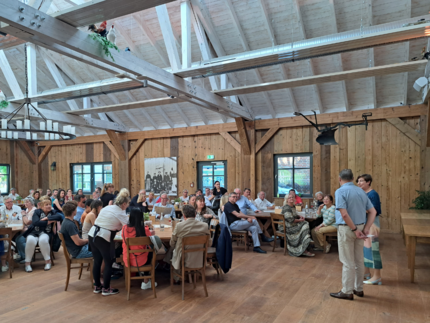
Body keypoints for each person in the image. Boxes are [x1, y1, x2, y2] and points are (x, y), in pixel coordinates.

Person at [330, 169, 377, 301]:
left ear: (340, 179)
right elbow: (373, 211)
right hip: (361, 227)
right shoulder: (361, 191)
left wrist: (354, 229)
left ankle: (347, 291)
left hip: (348, 229)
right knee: (358, 260)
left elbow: (344, 214)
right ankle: (359, 289)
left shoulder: (340, 191)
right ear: (352, 178)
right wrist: (366, 228)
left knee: (347, 262)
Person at [88, 188, 130, 296]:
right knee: (108, 262)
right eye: (127, 204)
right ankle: (106, 288)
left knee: (97, 261)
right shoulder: (120, 213)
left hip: (92, 234)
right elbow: (129, 226)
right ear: (124, 204)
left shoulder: (108, 207)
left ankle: (97, 286)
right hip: (103, 236)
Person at [167, 205, 209, 280]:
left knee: (171, 250)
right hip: (199, 259)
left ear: (184, 215)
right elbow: (209, 243)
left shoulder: (179, 225)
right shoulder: (205, 226)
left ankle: (175, 277)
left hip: (182, 260)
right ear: (195, 215)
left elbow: (172, 243)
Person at [357, 174, 383, 285]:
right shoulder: (362, 193)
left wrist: (359, 209)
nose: (359, 183)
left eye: (361, 181)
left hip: (372, 224)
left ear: (368, 182)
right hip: (365, 224)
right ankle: (366, 273)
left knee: (374, 250)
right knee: (365, 250)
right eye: (358, 181)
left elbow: (375, 210)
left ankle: (377, 276)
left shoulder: (373, 194)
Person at [121, 208, 155, 290]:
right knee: (151, 251)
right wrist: (152, 233)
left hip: (128, 259)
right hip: (142, 260)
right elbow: (151, 242)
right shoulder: (144, 229)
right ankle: (146, 280)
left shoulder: (124, 228)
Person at [24, 199, 62, 272]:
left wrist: (47, 218)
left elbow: (59, 217)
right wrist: (48, 222)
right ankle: (27, 263)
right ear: (41, 206)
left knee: (43, 240)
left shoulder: (53, 212)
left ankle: (48, 261)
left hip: (46, 232)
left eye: (49, 204)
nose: (49, 206)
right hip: (34, 232)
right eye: (46, 205)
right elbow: (35, 222)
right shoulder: (37, 212)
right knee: (30, 240)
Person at [15, 198, 37, 263]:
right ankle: (22, 256)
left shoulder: (33, 211)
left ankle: (29, 257)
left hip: (33, 231)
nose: (25, 203)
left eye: (27, 202)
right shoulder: (27, 209)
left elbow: (27, 222)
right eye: (25, 202)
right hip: (28, 229)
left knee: (20, 240)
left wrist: (23, 215)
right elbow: (24, 221)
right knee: (17, 239)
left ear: (32, 203)